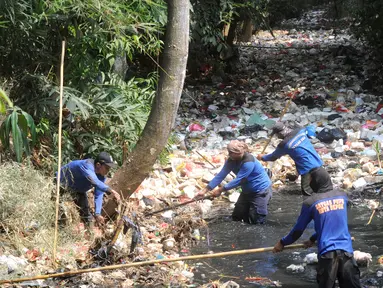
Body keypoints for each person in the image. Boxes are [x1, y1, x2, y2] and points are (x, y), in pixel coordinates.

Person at [272, 175, 361, 288]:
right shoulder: (342, 196)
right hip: (346, 252)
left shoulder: (310, 202)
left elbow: (298, 230)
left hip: (327, 254)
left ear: (314, 184)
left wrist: (282, 242)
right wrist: (312, 239)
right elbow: (331, 225)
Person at [196, 140, 272, 224]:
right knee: (237, 217)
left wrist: (220, 190)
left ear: (238, 153)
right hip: (246, 191)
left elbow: (239, 180)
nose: (229, 154)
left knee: (257, 220)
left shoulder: (248, 162)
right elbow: (221, 175)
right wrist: (205, 190)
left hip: (260, 191)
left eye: (231, 152)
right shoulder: (231, 160)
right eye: (229, 152)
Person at [257, 122, 332, 196]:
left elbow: (273, 157)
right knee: (329, 194)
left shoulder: (284, 144)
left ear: (279, 134)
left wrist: (262, 157)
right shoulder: (300, 131)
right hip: (320, 169)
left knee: (309, 198)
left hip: (308, 173)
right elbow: (300, 127)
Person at [58, 152, 120, 226]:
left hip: (78, 191)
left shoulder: (101, 177)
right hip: (61, 185)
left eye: (109, 168)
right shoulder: (86, 165)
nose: (108, 171)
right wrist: (111, 191)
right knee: (59, 212)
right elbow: (95, 181)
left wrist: (97, 213)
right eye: (107, 168)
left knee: (87, 218)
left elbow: (99, 194)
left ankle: (89, 233)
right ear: (98, 165)